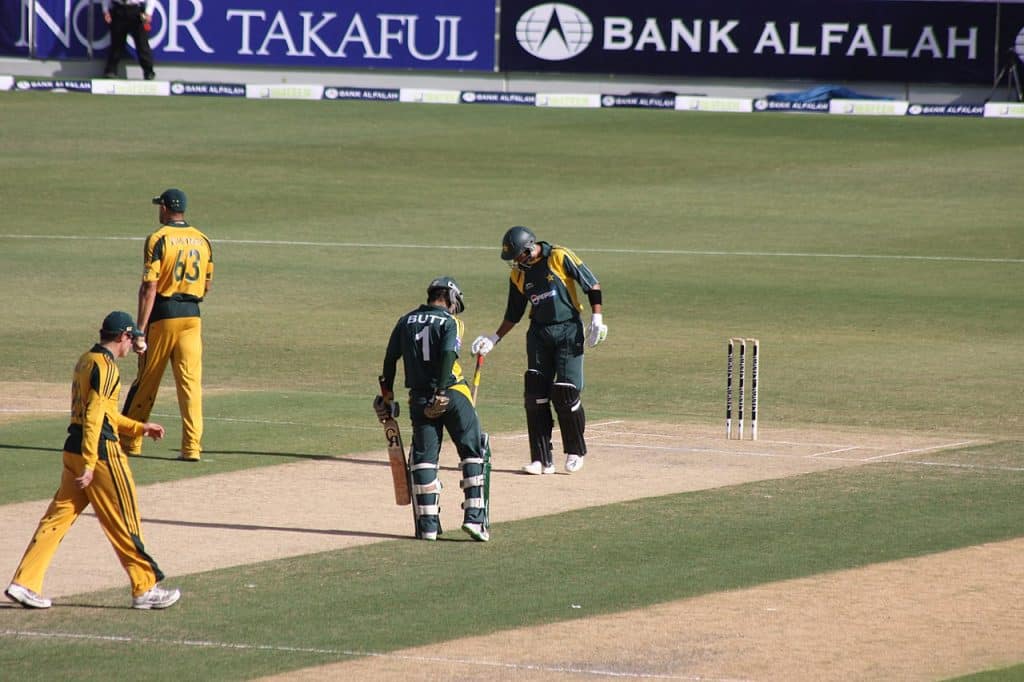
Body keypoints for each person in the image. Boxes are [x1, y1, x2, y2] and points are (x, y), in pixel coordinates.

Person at [5, 311, 180, 610]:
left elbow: (105, 412)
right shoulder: (108, 368)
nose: (133, 345)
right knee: (125, 519)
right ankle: (145, 587)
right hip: (100, 455)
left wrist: (139, 427)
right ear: (122, 337)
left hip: (72, 448)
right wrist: (89, 463)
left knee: (56, 520)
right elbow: (96, 417)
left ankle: (24, 583)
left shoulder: (86, 360)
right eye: (132, 338)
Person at [472, 225, 607, 475]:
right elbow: (513, 314)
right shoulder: (519, 276)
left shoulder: (559, 256)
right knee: (535, 395)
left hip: (568, 329)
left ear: (529, 248)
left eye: (517, 256)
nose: (515, 263)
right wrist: (493, 338)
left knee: (566, 393)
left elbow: (592, 284)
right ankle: (541, 459)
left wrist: (597, 318)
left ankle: (575, 451)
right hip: (538, 334)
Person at [375, 276, 490, 542]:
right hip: (452, 393)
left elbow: (390, 359)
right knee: (473, 450)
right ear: (449, 298)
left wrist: (387, 395)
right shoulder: (452, 322)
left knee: (425, 457)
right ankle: (474, 519)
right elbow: (449, 353)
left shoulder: (405, 321)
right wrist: (441, 390)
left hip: (419, 399)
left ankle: (427, 527)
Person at [121, 188, 214, 462]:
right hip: (192, 317)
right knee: (190, 385)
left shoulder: (158, 239)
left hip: (163, 315)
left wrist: (139, 330)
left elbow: (149, 286)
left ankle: (130, 442)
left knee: (147, 380)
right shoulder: (203, 239)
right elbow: (207, 285)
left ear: (164, 208)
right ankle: (192, 448)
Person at [101, 0, 156, 80]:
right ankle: (111, 70)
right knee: (116, 43)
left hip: (136, 11)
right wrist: (105, 11)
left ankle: (148, 71)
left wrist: (148, 12)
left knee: (142, 43)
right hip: (118, 9)